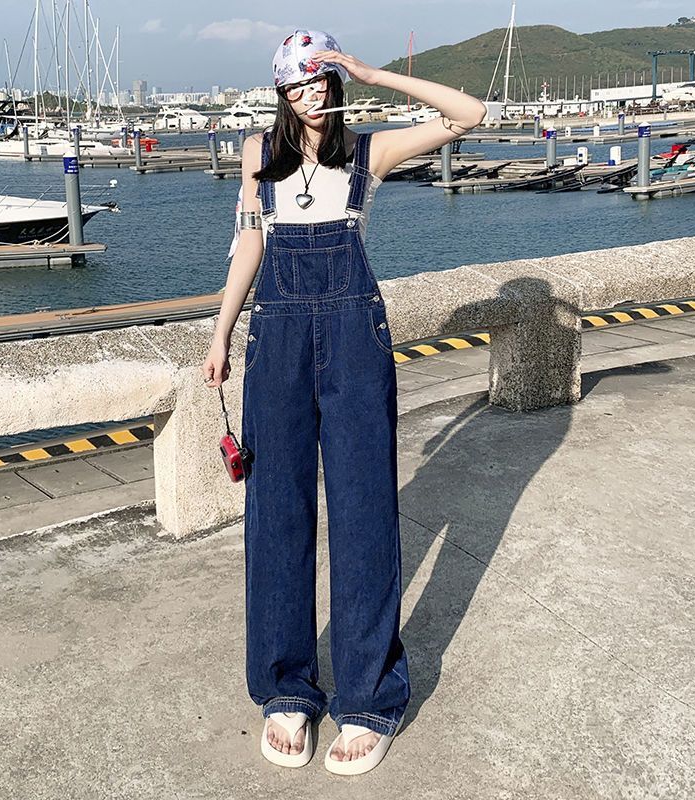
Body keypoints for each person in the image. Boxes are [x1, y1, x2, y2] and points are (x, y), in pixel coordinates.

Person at [202, 29, 486, 776]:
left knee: (364, 514)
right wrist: (221, 333)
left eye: (323, 80)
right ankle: (286, 689)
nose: (313, 94)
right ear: (281, 92)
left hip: (356, 341)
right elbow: (249, 245)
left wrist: (374, 73)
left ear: (336, 83)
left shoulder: (368, 154)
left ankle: (368, 699)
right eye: (298, 84)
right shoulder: (257, 154)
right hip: (276, 342)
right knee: (277, 513)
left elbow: (470, 115)